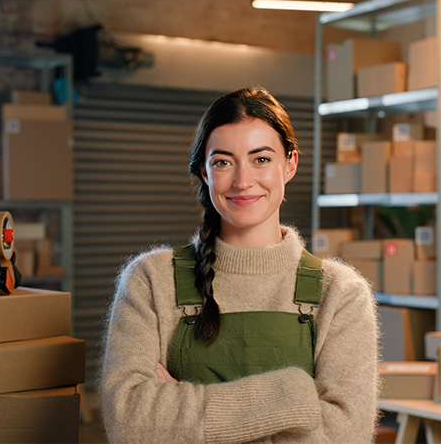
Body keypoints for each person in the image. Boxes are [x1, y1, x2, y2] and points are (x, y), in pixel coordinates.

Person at [100, 86, 379, 443]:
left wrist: (180, 414)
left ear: (290, 165)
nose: (242, 181)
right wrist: (291, 396)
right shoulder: (152, 281)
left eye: (261, 159)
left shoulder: (340, 294)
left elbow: (344, 437)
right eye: (223, 162)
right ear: (204, 171)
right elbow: (130, 425)